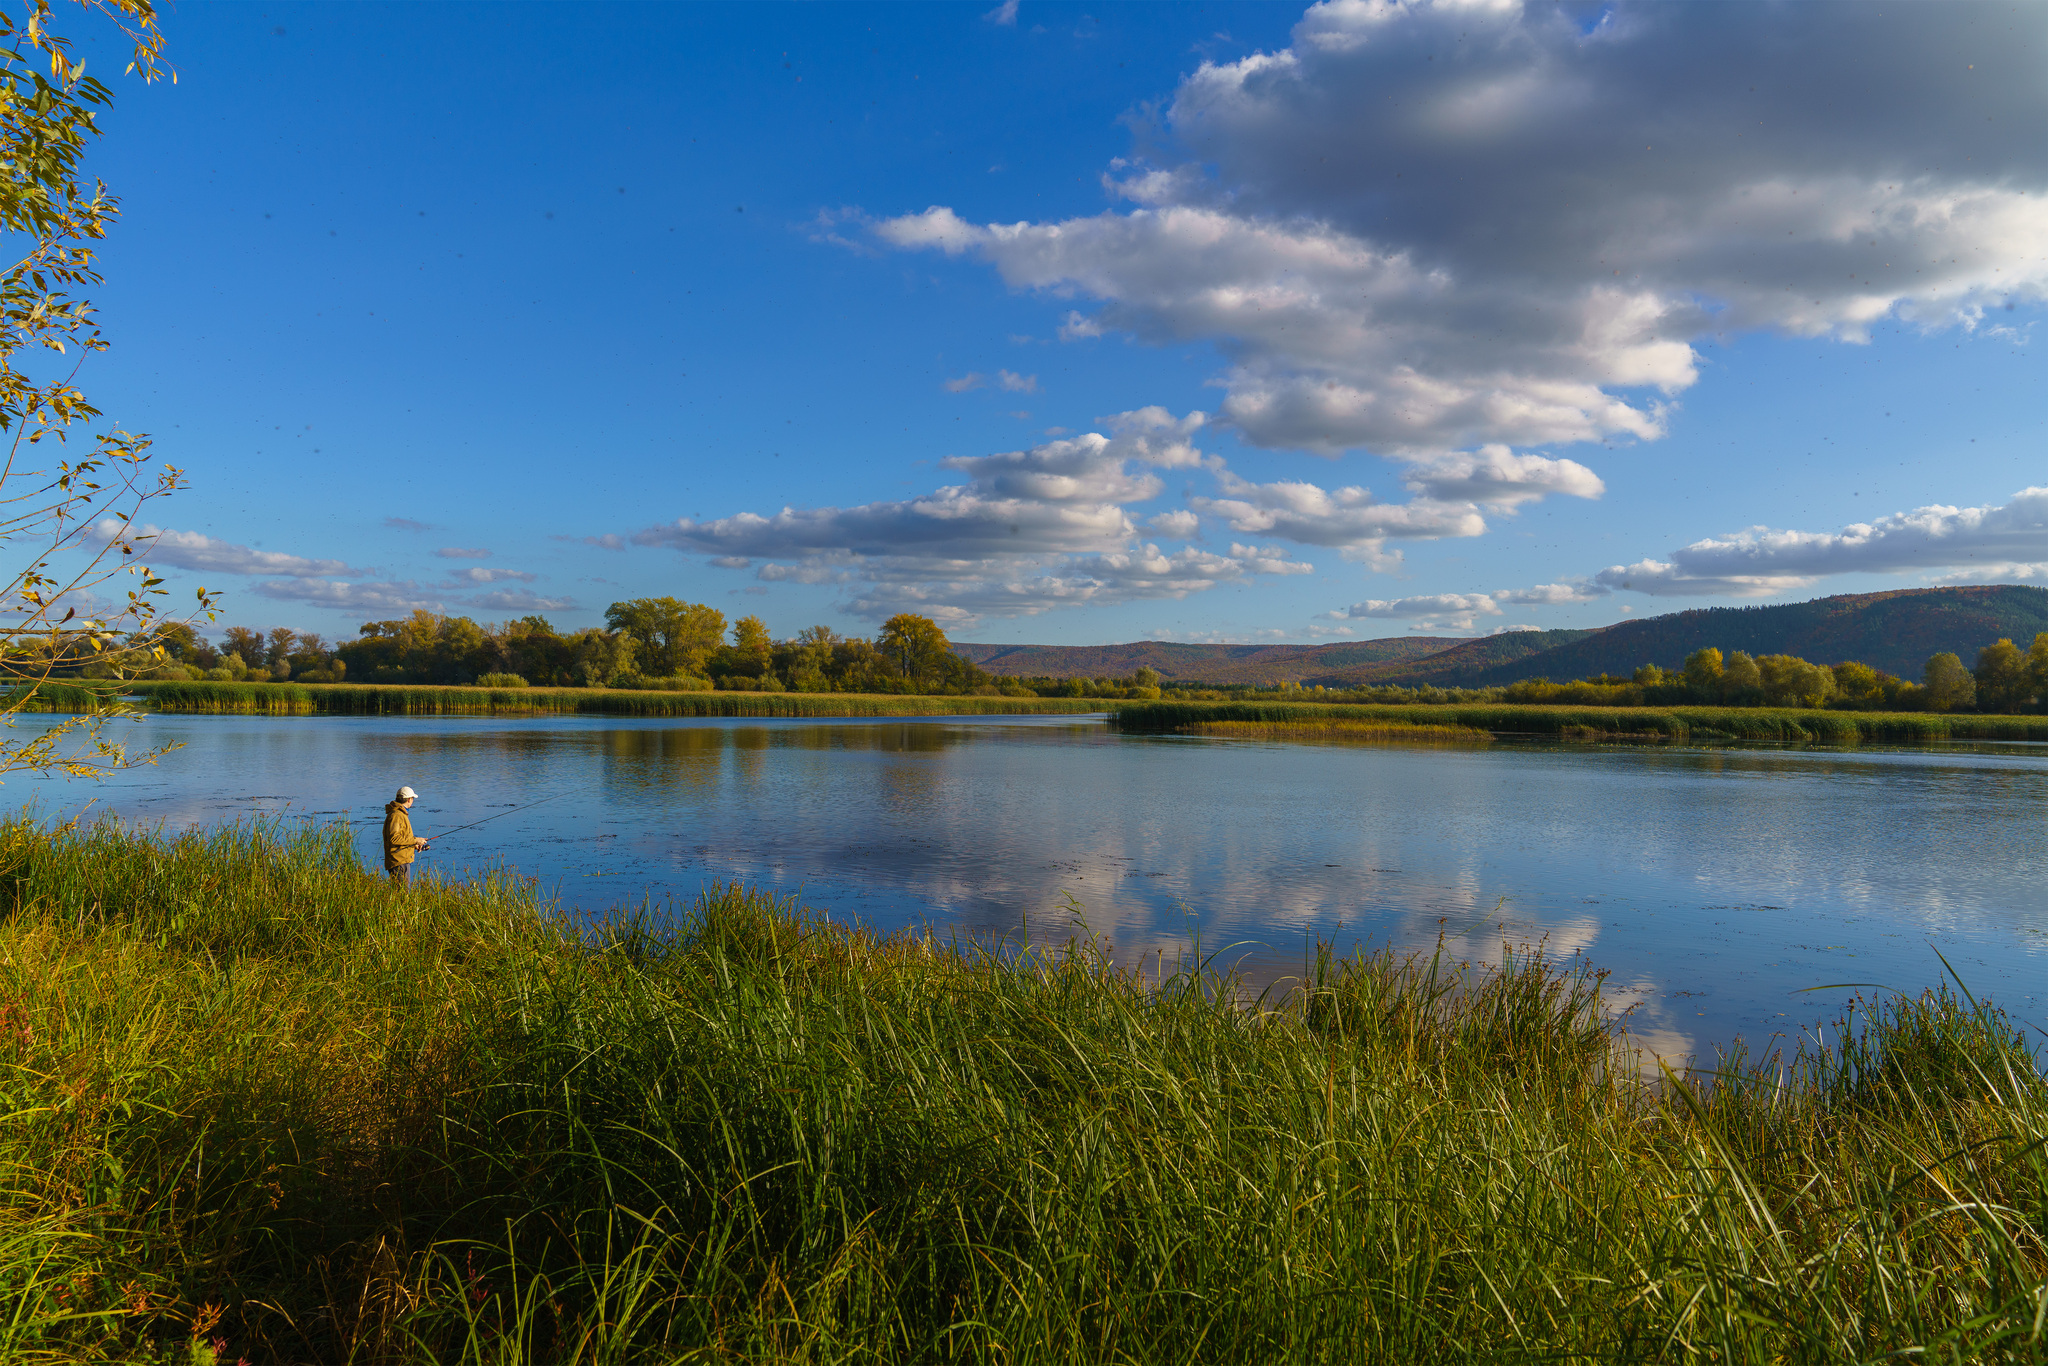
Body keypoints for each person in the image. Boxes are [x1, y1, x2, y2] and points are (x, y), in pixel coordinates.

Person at [382, 785, 430, 886]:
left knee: (402, 894)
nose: (412, 801)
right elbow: (394, 839)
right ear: (409, 800)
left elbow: (401, 838)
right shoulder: (397, 815)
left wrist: (413, 845)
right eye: (412, 798)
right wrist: (416, 840)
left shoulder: (399, 813)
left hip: (401, 859)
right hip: (399, 861)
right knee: (402, 895)